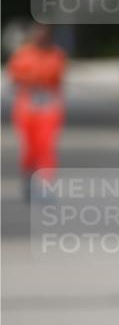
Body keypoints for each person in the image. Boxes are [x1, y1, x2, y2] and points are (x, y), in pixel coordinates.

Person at [7, 23, 68, 198]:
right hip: (27, 105)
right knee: (29, 146)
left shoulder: (57, 55)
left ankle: (46, 183)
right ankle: (28, 176)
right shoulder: (23, 54)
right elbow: (14, 77)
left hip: (49, 106)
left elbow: (58, 78)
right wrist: (31, 79)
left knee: (46, 146)